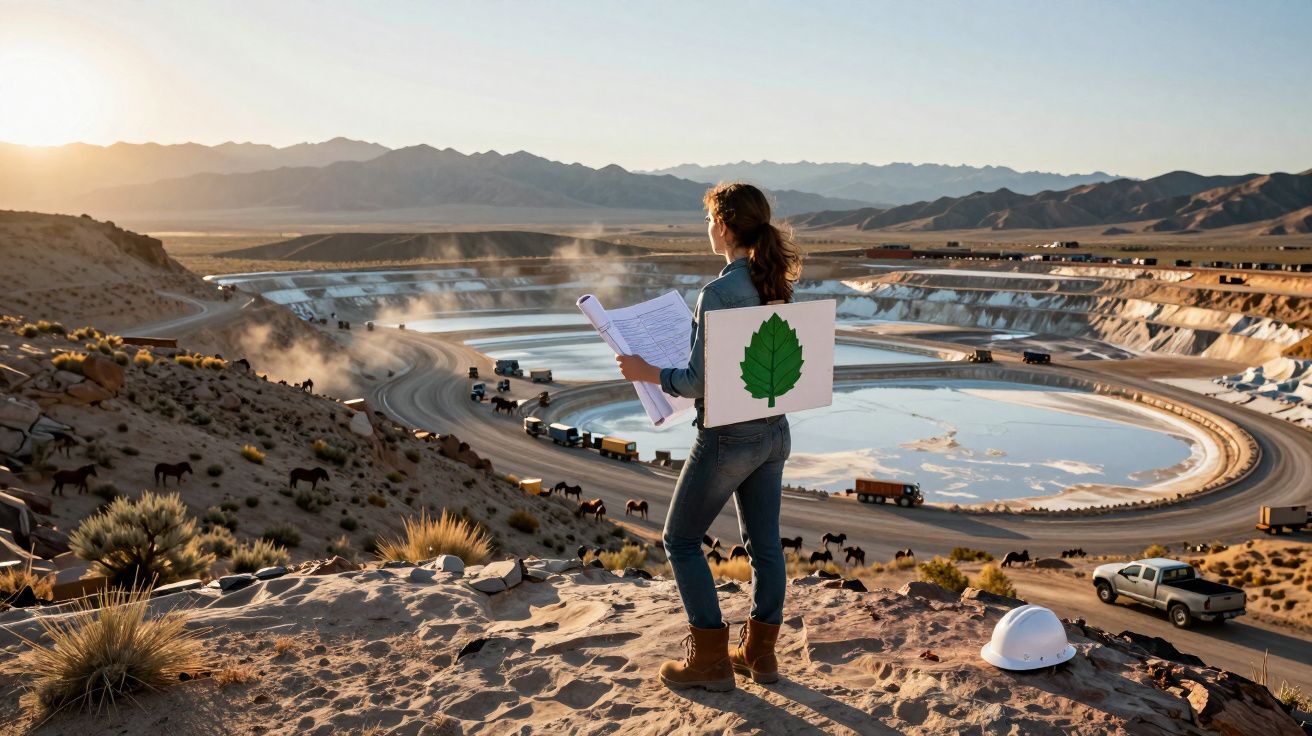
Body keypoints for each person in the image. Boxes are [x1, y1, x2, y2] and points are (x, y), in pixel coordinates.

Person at [616, 182, 802, 692]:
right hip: (774, 431)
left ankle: (710, 661)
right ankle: (760, 655)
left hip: (728, 437)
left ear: (723, 225)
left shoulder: (717, 293)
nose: (707, 229)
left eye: (708, 220)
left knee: (679, 540)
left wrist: (646, 372)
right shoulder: (774, 280)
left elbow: (698, 381)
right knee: (765, 546)